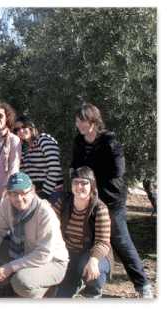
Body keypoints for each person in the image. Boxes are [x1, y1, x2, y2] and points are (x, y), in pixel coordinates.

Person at [70, 103, 153, 298]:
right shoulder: (79, 141)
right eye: (77, 121)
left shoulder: (109, 140)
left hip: (111, 201)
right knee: (81, 241)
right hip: (89, 201)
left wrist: (88, 174)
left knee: (121, 242)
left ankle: (143, 287)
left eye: (83, 120)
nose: (79, 124)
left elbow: (117, 170)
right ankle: (77, 284)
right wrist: (74, 173)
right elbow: (75, 164)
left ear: (94, 120)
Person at [0, 172, 68, 298]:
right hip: (23, 252)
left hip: (52, 262)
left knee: (20, 281)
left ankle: (45, 292)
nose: (19, 198)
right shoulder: (7, 204)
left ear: (32, 192)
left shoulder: (45, 213)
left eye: (23, 192)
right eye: (14, 193)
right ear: (8, 194)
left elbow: (44, 254)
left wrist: (10, 267)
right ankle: (2, 287)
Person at [53, 167, 113, 298]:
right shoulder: (63, 204)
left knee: (92, 272)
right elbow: (48, 220)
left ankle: (94, 291)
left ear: (92, 185)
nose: (79, 186)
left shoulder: (99, 208)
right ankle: (76, 284)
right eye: (75, 182)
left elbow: (103, 242)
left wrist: (94, 259)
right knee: (61, 295)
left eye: (84, 183)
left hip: (91, 255)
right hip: (69, 257)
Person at [14, 115, 63, 203]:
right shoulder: (23, 149)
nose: (21, 130)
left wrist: (45, 193)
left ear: (30, 127)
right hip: (34, 195)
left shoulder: (44, 141)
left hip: (53, 192)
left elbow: (54, 169)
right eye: (17, 129)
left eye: (24, 126)